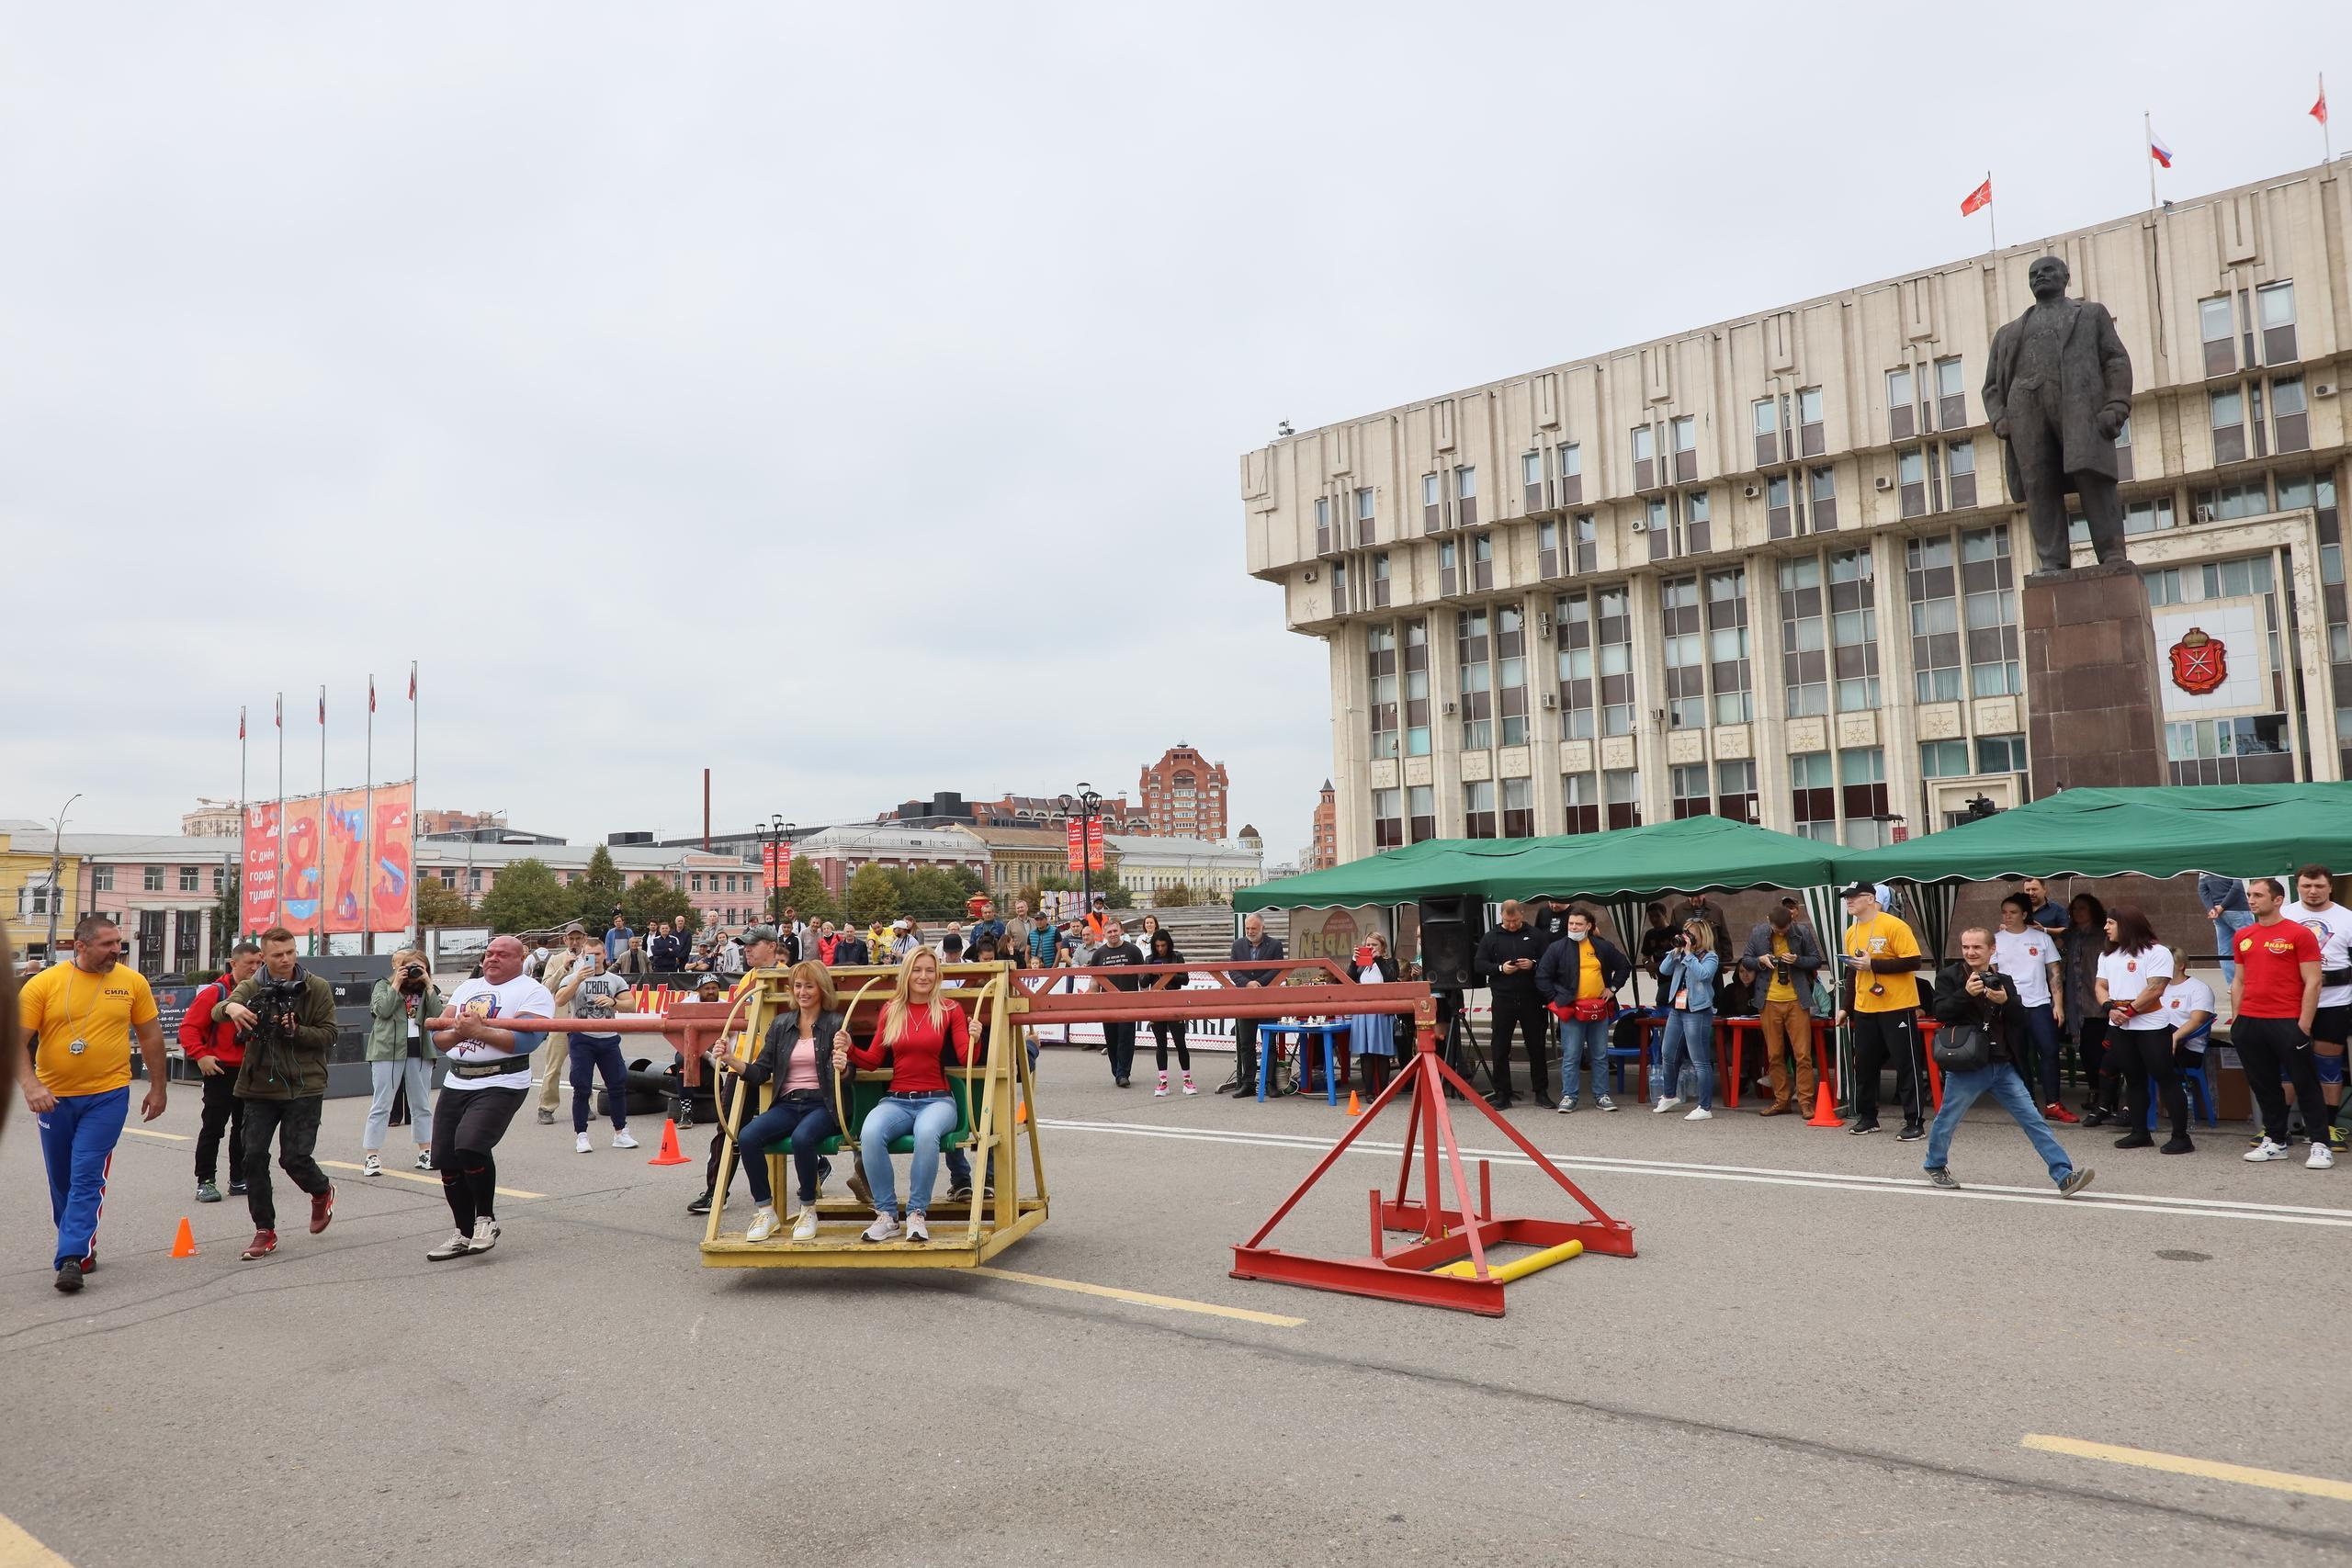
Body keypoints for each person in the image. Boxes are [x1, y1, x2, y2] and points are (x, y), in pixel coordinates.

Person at [16, 914, 166, 1293]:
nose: (117, 950)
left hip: (108, 1095)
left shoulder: (132, 982)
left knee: (86, 1173)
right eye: (108, 944)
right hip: (54, 1098)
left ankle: (70, 1257)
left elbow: (150, 1037)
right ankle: (81, 1243)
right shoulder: (44, 984)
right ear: (80, 946)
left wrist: (158, 1087)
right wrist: (31, 1085)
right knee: (62, 1179)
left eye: (118, 943)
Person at [1921, 927, 2097, 1198]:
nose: (1970, 952)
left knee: (2033, 1120)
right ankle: (1934, 1165)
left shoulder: (2003, 979)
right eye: (1966, 947)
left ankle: (2064, 1176)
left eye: (1977, 947)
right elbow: (1941, 1012)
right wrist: (1965, 994)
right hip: (1967, 1063)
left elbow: (2021, 1021)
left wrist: (2006, 1001)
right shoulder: (1949, 977)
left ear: (1992, 950)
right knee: (1947, 1119)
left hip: (2002, 1064)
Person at [216, 926, 340, 1261]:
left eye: (290, 953)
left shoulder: (316, 988)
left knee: (294, 1158)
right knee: (252, 1157)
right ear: (264, 958)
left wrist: (296, 1030)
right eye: (277, 955)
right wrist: (232, 1009)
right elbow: (219, 1009)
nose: (285, 960)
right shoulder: (252, 985)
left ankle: (321, 1191)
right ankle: (264, 1230)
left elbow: (329, 1035)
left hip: (305, 1085)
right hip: (258, 1085)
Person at [426, 934, 554, 1258]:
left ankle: (486, 1220)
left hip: (503, 1080)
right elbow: (440, 1038)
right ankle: (462, 1232)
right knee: (445, 1159)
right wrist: (461, 1032)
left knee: (470, 1146)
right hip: (458, 1080)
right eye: (489, 953)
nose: (492, 958)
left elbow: (527, 1040)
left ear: (519, 959)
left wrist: (479, 1031)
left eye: (502, 954)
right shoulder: (468, 988)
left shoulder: (532, 992)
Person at [837, 948, 975, 1243]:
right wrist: (849, 1048)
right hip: (898, 1099)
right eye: (917, 970)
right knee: (871, 1131)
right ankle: (887, 1215)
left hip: (938, 1100)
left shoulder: (950, 1009)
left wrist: (975, 1037)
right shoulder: (891, 1009)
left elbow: (965, 1058)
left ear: (937, 975)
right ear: (907, 974)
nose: (923, 976)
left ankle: (916, 1214)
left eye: (929, 970)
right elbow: (873, 1059)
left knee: (927, 1133)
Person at [726, 961, 844, 1243]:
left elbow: (847, 1074)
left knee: (803, 1138)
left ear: (822, 989)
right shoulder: (781, 1024)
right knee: (748, 1136)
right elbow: (761, 1071)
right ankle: (766, 1210)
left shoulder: (836, 1023)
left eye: (809, 986)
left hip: (823, 1104)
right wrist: (733, 1062)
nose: (803, 992)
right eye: (798, 986)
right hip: (789, 1103)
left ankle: (807, 1208)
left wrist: (845, 1062)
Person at [2232, 878, 2330, 1168]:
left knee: (2305, 1083)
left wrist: (2304, 1024)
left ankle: (2320, 1143)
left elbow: (2313, 981)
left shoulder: (2299, 934)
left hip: (2287, 1020)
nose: (2251, 899)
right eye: (2249, 894)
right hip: (2250, 1021)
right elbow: (2238, 980)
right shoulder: (2243, 935)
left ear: (2277, 900)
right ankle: (2276, 1140)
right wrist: (2238, 1019)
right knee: (2264, 1085)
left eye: (2258, 895)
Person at [691, 929, 783, 1215]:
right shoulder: (747, 978)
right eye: (744, 946)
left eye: (753, 945)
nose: (747, 950)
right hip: (741, 1063)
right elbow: (738, 1018)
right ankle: (715, 1191)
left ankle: (817, 1164)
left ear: (771, 946)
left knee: (785, 1125)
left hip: (773, 1067)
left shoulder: (787, 977)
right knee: (728, 1129)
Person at [1833, 882, 1927, 1140]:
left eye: (1853, 897)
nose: (1848, 902)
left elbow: (1914, 961)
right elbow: (1852, 972)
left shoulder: (1894, 925)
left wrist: (1874, 963)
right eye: (1847, 898)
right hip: (1865, 1007)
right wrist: (1845, 1007)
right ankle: (1868, 1116)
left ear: (1871, 898)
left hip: (1896, 1005)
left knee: (1906, 1064)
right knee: (1864, 1065)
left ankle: (1914, 1120)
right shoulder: (1852, 931)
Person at [2094, 904, 2184, 1154]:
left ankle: (2180, 1136)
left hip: (2152, 1026)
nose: (2105, 928)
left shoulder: (2157, 952)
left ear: (2126, 924)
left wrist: (2130, 1012)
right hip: (2119, 1025)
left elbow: (2156, 988)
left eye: (2110, 923)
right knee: (2133, 1080)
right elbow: (2100, 985)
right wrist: (2110, 1007)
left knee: (2165, 1078)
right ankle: (2140, 1132)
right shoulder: (2107, 956)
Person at [182, 940, 259, 1202]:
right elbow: (189, 1028)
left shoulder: (261, 990)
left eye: (258, 963)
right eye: (249, 963)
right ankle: (205, 1181)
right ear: (233, 963)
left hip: (250, 1071)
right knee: (214, 1128)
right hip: (220, 1070)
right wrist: (200, 1056)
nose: (255, 968)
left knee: (244, 1129)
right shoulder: (216, 993)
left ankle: (238, 1179)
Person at [1537, 905, 1631, 1112]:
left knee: (1600, 1054)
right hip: (1571, 1011)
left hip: (1598, 1009)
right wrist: (1557, 1000)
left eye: (1578, 924)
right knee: (1571, 1055)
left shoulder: (1601, 946)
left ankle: (1602, 1095)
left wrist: (1613, 988)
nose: (1573, 927)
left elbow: (1624, 965)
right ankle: (1569, 1096)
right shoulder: (1557, 948)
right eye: (1570, 923)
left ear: (1588, 926)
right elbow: (1542, 976)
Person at [1734, 905, 1823, 1116]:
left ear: (1792, 920)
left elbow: (1816, 959)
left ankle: (1805, 1102)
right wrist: (1760, 961)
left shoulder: (1801, 932)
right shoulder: (1758, 932)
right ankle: (1782, 1100)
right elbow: (1745, 959)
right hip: (1768, 1000)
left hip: (1797, 1000)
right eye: (1777, 929)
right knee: (1774, 1054)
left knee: (1802, 1055)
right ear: (1768, 921)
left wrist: (1798, 960)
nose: (1782, 932)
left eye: (1785, 928)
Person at [2287, 866, 2352, 1146]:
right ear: (2298, 886)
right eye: (2306, 886)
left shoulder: (2347, 918)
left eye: (2319, 886)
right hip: (2291, 1002)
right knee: (2286, 1065)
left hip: (2334, 1001)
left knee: (2328, 1066)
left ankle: (2327, 1127)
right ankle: (2276, 1128)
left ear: (2330, 887)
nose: (2312, 891)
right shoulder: (2284, 916)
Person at [363, 948, 442, 1179]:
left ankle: (425, 1152)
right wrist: (397, 983)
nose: (414, 973)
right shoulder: (383, 986)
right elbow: (382, 1011)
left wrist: (428, 984)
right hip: (387, 1051)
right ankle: (371, 1156)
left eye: (420, 968)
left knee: (422, 1104)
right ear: (399, 968)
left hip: (419, 1051)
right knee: (382, 1105)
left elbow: (438, 1017)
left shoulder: (428, 989)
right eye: (410, 968)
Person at [1992, 894, 2070, 1123]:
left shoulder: (2041, 939)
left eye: (2013, 912)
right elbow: (1993, 973)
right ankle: (2028, 1104)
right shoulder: (1996, 940)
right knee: (2019, 1055)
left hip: (2040, 1004)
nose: (2007, 916)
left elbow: (2054, 972)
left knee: (2048, 1051)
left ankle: (2053, 1103)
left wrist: (2058, 1005)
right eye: (2004, 912)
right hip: (2011, 1006)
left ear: (2025, 914)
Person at [556, 943, 640, 1155]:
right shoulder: (573, 977)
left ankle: (621, 1132)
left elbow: (631, 1005)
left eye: (598, 954)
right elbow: (559, 1000)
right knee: (582, 1086)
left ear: (605, 955)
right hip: (581, 1038)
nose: (594, 958)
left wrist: (613, 1002)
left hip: (609, 1037)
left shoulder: (615, 979)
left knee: (617, 1084)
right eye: (589, 955)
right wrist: (578, 979)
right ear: (583, 956)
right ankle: (581, 1136)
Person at [1474, 900, 1551, 1110]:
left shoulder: (1535, 935)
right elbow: (1479, 964)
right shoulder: (1491, 937)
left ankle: (1541, 1091)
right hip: (1503, 998)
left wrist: (1533, 964)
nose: (1512, 924)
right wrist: (1500, 968)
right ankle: (1502, 1093)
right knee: (1500, 1047)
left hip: (1531, 998)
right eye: (1508, 921)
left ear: (1522, 915)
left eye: (1515, 920)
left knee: (1536, 1046)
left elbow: (1550, 959)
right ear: (1501, 916)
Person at [2060, 893, 2114, 1123]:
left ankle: (2106, 1096)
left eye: (2082, 908)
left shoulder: (2104, 936)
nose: (2077, 913)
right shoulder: (2071, 936)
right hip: (2077, 1003)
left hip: (2099, 1003)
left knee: (2101, 1052)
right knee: (2087, 1051)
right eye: (2074, 909)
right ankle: (2094, 1089)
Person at [2156, 946, 2215, 1142]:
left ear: (2180, 965)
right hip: (2162, 1043)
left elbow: (2198, 1020)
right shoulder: (2158, 988)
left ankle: (2129, 1109)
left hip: (2187, 1048)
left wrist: (2174, 1037)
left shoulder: (2198, 988)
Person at [1224, 914, 1284, 1096]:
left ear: (1262, 928)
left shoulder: (1275, 945)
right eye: (1248, 928)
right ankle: (1248, 1083)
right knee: (1246, 1044)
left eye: (1254, 929)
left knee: (1269, 1044)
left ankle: (1269, 1083)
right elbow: (1232, 969)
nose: (1250, 932)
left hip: (1267, 1000)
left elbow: (1277, 968)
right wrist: (1247, 983)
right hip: (1246, 1001)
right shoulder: (1238, 945)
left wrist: (1259, 983)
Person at [535, 924, 588, 1125]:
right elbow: (546, 987)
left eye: (578, 938)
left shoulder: (590, 959)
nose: (575, 942)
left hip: (583, 1020)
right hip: (559, 1020)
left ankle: (585, 1103)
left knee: (583, 1066)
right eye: (571, 939)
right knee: (554, 1066)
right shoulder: (556, 960)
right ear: (565, 940)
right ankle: (546, 1107)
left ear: (584, 939)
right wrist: (563, 968)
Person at [1343, 931, 1401, 1101]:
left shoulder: (1390, 962)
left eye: (1374, 945)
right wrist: (1354, 961)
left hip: (1381, 1012)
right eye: (1368, 945)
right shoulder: (1361, 965)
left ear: (1382, 947)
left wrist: (1378, 959)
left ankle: (1383, 1092)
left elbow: (1391, 978)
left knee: (1382, 1053)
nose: (1370, 948)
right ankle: (1369, 1092)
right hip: (1362, 1012)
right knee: (1366, 1053)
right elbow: (1349, 981)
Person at [1146, 927, 1195, 1096]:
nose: (1160, 949)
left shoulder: (1177, 957)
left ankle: (1187, 1080)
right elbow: (1143, 981)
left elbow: (1185, 979)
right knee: (1161, 1044)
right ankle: (1163, 1081)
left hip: (1175, 1003)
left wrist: (1169, 973)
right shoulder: (1149, 959)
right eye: (1157, 946)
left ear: (1169, 944)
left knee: (1180, 1043)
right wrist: (1151, 971)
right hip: (1156, 1004)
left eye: (1163, 946)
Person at [2199, 873, 2254, 989]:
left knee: (2225, 950)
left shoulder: (2204, 869)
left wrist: (2211, 908)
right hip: (2238, 909)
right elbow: (2237, 886)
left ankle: (2232, 985)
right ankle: (2254, 981)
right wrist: (2223, 906)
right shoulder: (2230, 863)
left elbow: (2202, 889)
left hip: (2218, 913)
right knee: (2252, 945)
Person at [1665, 892, 1734, 966]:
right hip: (1687, 961)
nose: (1695, 899)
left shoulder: (1715, 909)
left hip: (1713, 960)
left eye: (1698, 895)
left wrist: (1727, 960)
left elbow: (1724, 936)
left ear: (1704, 893)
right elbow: (1674, 937)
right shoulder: (1678, 911)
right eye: (1691, 895)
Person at [1637, 903, 1679, 1008]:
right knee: (1662, 1005)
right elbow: (1645, 956)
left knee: (1666, 1001)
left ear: (1664, 915)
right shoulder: (1650, 934)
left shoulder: (1675, 932)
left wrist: (1655, 966)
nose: (1654, 919)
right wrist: (1647, 963)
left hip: (1677, 978)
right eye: (1651, 917)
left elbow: (1677, 958)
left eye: (1657, 916)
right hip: (1662, 979)